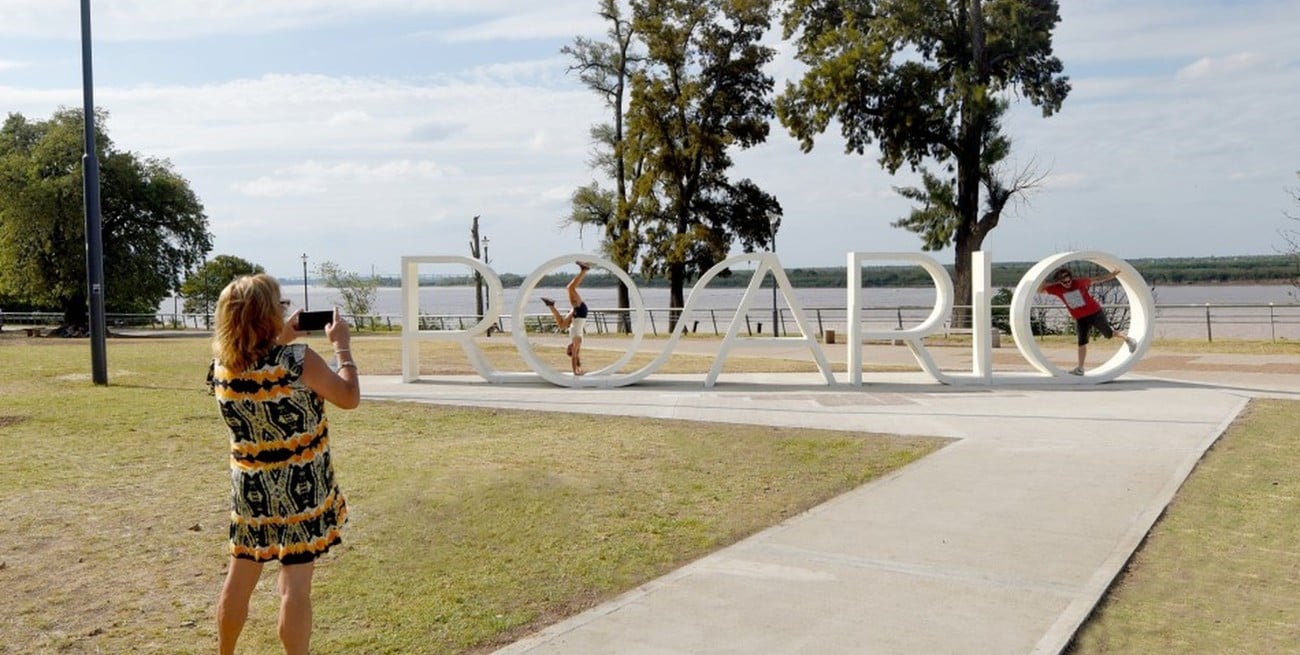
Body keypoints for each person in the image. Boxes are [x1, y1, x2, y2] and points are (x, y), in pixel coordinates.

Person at [209, 274, 360, 655]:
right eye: (279, 305)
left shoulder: (221, 368)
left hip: (250, 488)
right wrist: (343, 348)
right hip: (300, 486)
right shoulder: (297, 360)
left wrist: (283, 336)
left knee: (239, 579)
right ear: (266, 315)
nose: (284, 309)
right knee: (294, 586)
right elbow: (348, 397)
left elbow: (259, 365)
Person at [1038, 266, 1137, 375]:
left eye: (1068, 280)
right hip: (1081, 318)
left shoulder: (1080, 282)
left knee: (1108, 334)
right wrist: (1044, 275)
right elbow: (1039, 289)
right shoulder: (1057, 288)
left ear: (1071, 278)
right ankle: (1080, 369)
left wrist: (1112, 275)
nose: (1067, 283)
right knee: (1082, 342)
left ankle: (1128, 339)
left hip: (1095, 313)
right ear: (1059, 282)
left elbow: (1098, 279)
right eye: (1063, 282)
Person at [541, 261, 594, 376]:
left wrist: (579, 369)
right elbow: (575, 357)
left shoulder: (573, 338)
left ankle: (551, 305)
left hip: (576, 314)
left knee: (561, 325)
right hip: (580, 312)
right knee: (570, 288)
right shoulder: (577, 340)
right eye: (569, 350)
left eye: (568, 349)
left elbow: (566, 324)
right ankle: (584, 270)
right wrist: (575, 371)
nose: (568, 348)